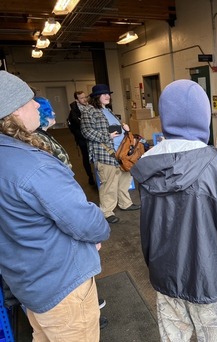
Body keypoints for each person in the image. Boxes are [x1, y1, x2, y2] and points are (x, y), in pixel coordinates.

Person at [131, 80, 217, 341]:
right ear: (203, 117)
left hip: (164, 274)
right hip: (211, 276)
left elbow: (150, 224)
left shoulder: (148, 164)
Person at [0, 71, 110, 340]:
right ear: (11, 112)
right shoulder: (35, 166)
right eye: (29, 100)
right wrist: (97, 222)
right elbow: (85, 221)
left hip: (29, 284)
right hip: (63, 289)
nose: (38, 104)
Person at [33, 95, 109, 327]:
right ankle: (83, 312)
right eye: (48, 111)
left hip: (60, 212)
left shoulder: (38, 140)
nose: (54, 115)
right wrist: (95, 231)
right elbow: (68, 212)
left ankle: (85, 305)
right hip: (61, 217)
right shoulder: (36, 145)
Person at [80, 84, 140, 224]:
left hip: (121, 152)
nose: (108, 96)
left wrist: (125, 129)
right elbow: (86, 131)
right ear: (96, 97)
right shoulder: (89, 111)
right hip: (105, 153)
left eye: (108, 93)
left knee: (124, 178)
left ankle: (125, 203)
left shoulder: (108, 110)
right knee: (109, 183)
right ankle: (106, 211)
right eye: (104, 94)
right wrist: (107, 136)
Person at [34, 96, 72, 168]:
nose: (53, 113)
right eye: (48, 111)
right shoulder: (39, 139)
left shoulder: (42, 135)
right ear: (41, 115)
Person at [68, 90, 96, 185]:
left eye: (85, 97)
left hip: (93, 136)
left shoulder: (91, 107)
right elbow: (77, 126)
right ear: (77, 100)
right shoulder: (74, 112)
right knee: (86, 157)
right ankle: (90, 177)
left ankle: (98, 176)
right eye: (81, 98)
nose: (84, 99)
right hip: (82, 138)